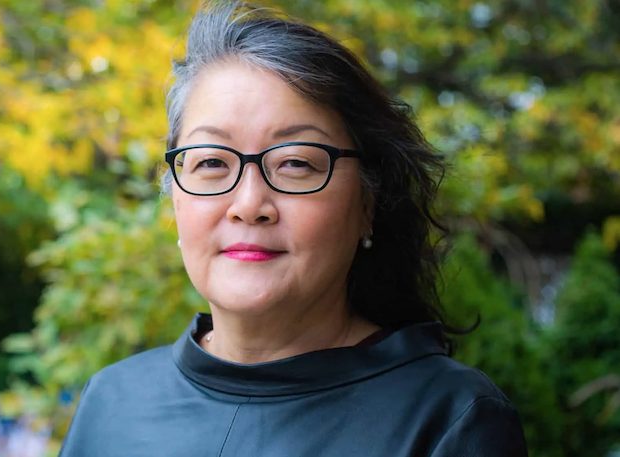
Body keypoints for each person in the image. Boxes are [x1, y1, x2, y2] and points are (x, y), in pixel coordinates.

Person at [59, 1, 528, 456]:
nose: (249, 205)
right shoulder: (112, 402)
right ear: (176, 199)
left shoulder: (449, 420)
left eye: (296, 164)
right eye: (211, 163)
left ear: (369, 203)